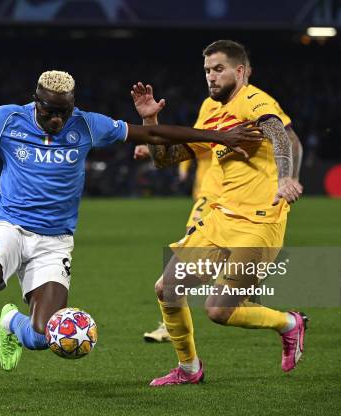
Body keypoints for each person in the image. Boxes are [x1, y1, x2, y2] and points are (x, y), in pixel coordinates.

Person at [0, 70, 262, 398]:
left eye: (64, 113)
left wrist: (220, 137)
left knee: (46, 336)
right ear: (37, 103)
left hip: (55, 242)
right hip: (10, 227)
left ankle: (12, 325)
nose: (58, 121)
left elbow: (154, 135)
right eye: (51, 113)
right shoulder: (6, 119)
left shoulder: (88, 125)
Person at [132, 40, 305, 386]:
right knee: (167, 288)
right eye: (207, 70)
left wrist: (286, 178)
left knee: (219, 310)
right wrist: (151, 120)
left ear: (239, 71)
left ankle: (289, 323)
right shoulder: (209, 111)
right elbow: (167, 158)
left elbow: (281, 136)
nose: (211, 76)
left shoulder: (254, 99)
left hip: (260, 221)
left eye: (219, 69)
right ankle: (189, 369)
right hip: (220, 218)